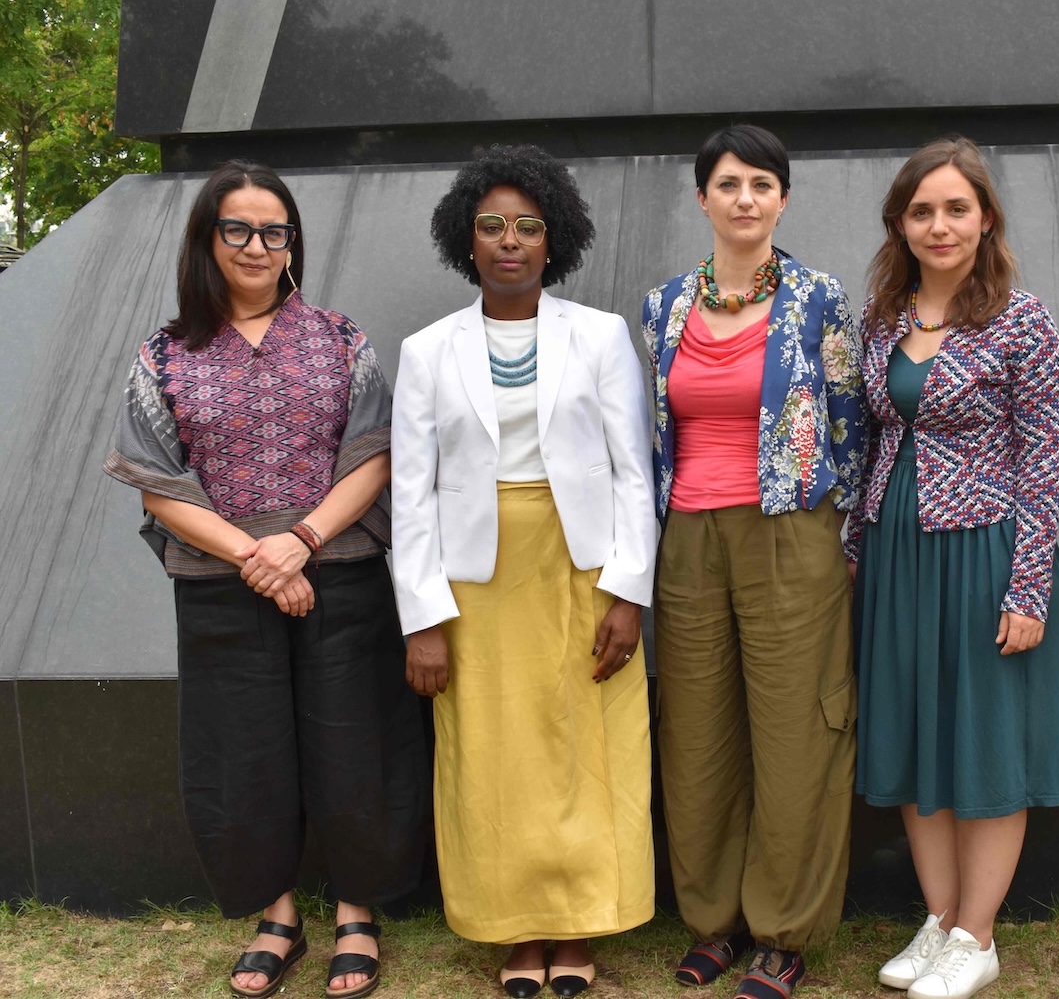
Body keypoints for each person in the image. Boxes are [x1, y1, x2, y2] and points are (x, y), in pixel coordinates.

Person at [103, 160, 426, 999]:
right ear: (207, 241)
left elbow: (374, 454)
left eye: (273, 230)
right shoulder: (165, 356)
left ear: (293, 244)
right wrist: (257, 556)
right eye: (237, 229)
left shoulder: (340, 339)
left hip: (339, 571)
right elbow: (158, 481)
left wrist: (302, 540)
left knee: (354, 741)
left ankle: (358, 912)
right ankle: (275, 914)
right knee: (240, 751)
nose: (256, 245)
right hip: (219, 583)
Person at [390, 144, 656, 999]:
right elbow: (412, 492)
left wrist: (627, 589)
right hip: (475, 580)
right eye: (492, 226)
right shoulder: (428, 351)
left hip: (581, 567)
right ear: (466, 241)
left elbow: (632, 472)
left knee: (584, 743)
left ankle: (577, 924)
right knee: (493, 752)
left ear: (555, 240)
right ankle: (515, 930)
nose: (510, 241)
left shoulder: (601, 335)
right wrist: (422, 617)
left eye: (528, 227)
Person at [640, 123, 867, 999]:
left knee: (795, 732)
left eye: (762, 185)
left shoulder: (818, 299)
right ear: (702, 198)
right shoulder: (662, 306)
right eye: (728, 184)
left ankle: (784, 930)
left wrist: (839, 537)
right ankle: (713, 921)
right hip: (688, 538)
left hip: (791, 533)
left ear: (782, 199)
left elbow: (850, 421)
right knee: (697, 734)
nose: (745, 199)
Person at [847, 136, 1059, 999]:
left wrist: (1028, 586)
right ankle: (939, 920)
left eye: (956, 208)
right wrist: (857, 549)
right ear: (899, 224)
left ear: (985, 218)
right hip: (896, 552)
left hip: (982, 548)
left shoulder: (1023, 318)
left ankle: (978, 937)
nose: (939, 225)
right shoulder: (884, 319)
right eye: (921, 211)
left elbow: (1043, 457)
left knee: (982, 741)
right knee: (912, 731)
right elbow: (871, 439)